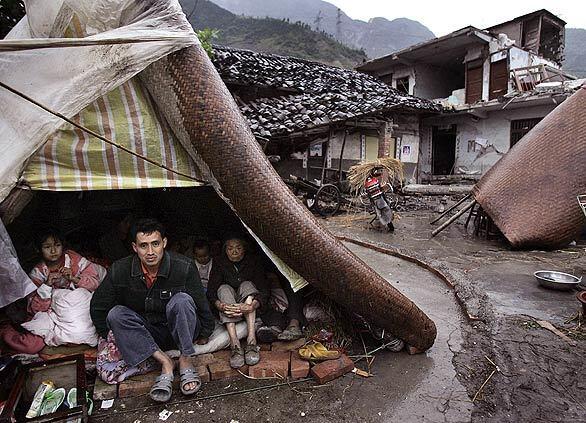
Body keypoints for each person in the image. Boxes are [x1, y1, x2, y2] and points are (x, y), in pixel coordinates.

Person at [90, 219, 214, 403]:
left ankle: (186, 360)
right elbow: (98, 306)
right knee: (116, 313)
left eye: (155, 244)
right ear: (134, 247)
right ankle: (166, 362)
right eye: (143, 246)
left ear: (164, 242)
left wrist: (205, 331)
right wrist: (109, 335)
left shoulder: (184, 266)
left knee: (182, 300)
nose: (150, 252)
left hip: (180, 331)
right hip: (147, 337)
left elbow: (201, 303)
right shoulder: (120, 269)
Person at [2, 229, 105, 354]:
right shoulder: (37, 273)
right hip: (51, 313)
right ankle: (5, 330)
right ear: (39, 249)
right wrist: (47, 285)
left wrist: (74, 278)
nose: (53, 251)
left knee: (97, 327)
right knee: (32, 346)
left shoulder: (73, 259)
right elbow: (34, 309)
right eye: (47, 247)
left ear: (63, 245)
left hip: (78, 308)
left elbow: (95, 283)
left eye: (57, 245)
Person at [207, 237, 269, 369]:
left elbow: (264, 290)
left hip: (247, 304)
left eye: (238, 248)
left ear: (244, 249)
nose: (234, 251)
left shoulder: (253, 261)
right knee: (223, 288)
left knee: (247, 284)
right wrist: (221, 306)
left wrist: (252, 306)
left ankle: (251, 341)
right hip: (229, 305)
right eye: (230, 248)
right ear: (225, 251)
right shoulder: (219, 262)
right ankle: (235, 344)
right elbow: (211, 292)